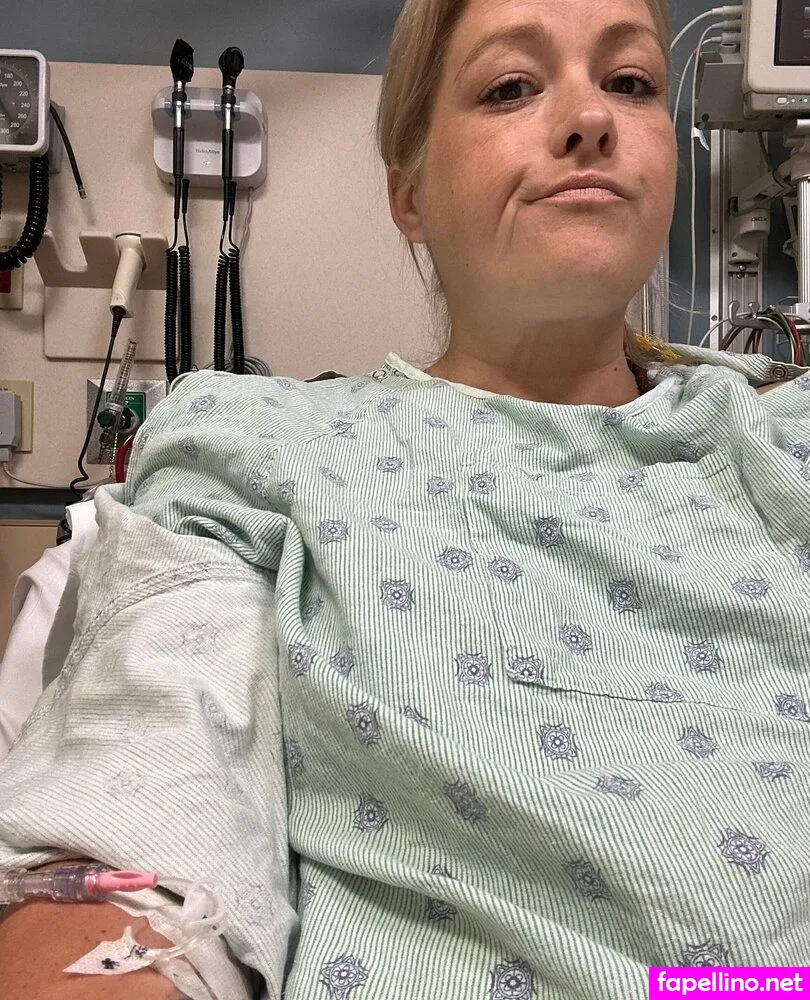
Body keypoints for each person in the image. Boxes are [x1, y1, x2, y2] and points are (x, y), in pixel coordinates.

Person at [2, 0, 810, 996]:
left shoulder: (780, 442)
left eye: (630, 82)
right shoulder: (261, 450)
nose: (590, 118)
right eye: (511, 86)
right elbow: (138, 813)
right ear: (409, 195)